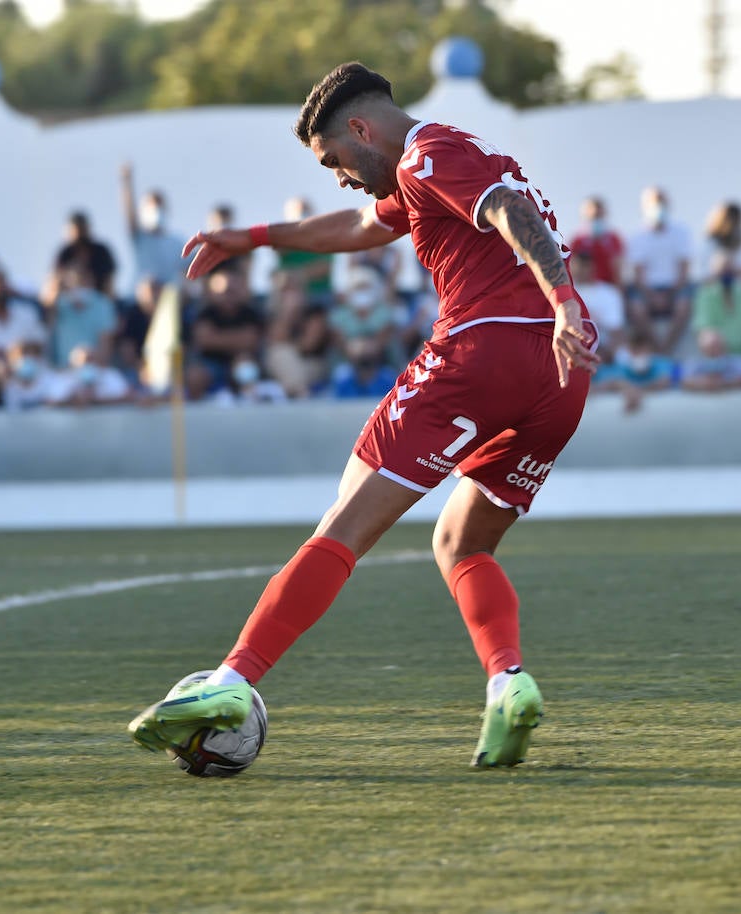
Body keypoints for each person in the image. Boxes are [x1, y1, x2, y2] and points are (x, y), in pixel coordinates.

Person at [128, 61, 599, 769]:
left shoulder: (432, 152)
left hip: (484, 353)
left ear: (360, 128)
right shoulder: (422, 174)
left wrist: (562, 299)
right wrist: (253, 237)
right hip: (558, 381)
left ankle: (232, 681)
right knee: (462, 544)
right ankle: (508, 683)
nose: (339, 175)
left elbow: (511, 213)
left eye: (335, 160)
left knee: (345, 520)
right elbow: (355, 226)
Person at [683, 251, 741, 391]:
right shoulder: (705, 294)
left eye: (729, 268)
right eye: (722, 268)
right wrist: (716, 357)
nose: (726, 272)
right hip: (715, 362)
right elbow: (704, 332)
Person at [627, 186, 692, 356]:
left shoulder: (681, 232)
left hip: (674, 289)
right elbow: (638, 275)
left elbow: (684, 271)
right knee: (637, 309)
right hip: (648, 291)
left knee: (683, 307)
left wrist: (669, 294)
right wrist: (652, 296)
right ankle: (658, 349)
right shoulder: (637, 237)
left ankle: (667, 349)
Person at [119, 162, 188, 290]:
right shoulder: (140, 237)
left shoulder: (177, 242)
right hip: (137, 301)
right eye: (151, 206)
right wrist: (127, 182)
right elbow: (129, 216)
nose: (156, 210)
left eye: (159, 206)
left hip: (168, 301)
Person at [53, 211, 117, 296]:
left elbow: (109, 284)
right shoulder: (64, 253)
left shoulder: (101, 252)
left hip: (98, 300)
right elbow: (54, 281)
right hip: (70, 302)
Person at [567, 196, 625, 288]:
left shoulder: (613, 239)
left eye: (598, 216)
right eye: (593, 217)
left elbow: (618, 267)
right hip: (584, 287)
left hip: (607, 288)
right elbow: (572, 266)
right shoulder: (578, 240)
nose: (596, 220)